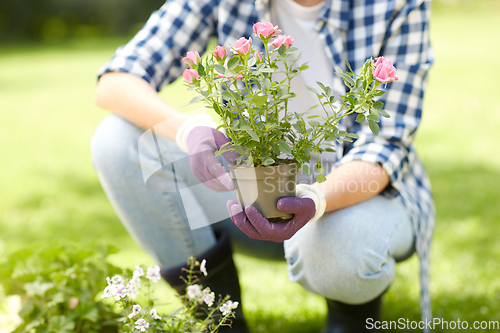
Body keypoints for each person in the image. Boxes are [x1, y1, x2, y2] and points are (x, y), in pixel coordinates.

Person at [91, 0, 435, 332]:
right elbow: (116, 80)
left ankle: (351, 319)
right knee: (117, 140)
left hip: (357, 196)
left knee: (341, 251)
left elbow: (386, 144)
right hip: (250, 198)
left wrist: (316, 199)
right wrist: (189, 131)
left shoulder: (396, 3)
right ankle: (221, 321)